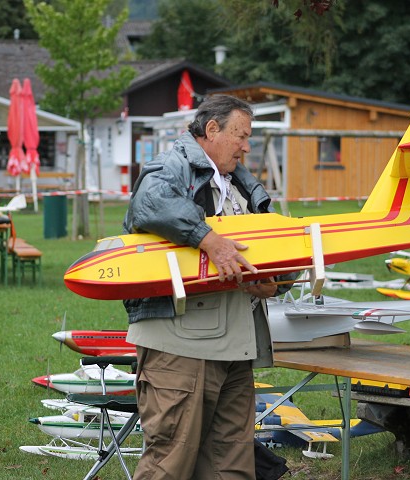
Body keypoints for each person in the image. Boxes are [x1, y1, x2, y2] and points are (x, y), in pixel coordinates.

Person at [122, 95, 297, 480]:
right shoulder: (174, 165)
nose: (247, 146)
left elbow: (265, 251)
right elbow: (148, 203)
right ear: (212, 130)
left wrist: (276, 282)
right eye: (241, 135)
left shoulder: (241, 184)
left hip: (237, 345)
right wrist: (208, 238)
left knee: (231, 465)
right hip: (179, 346)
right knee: (170, 460)